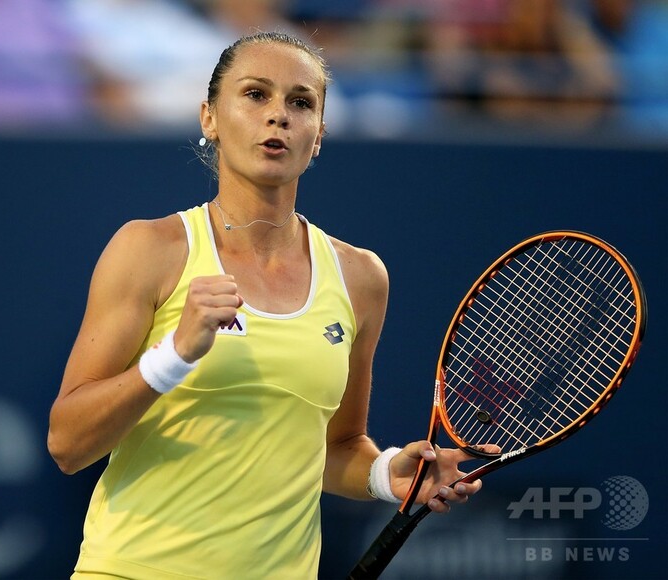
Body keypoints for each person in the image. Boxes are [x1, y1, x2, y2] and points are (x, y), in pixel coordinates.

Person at [48, 31, 489, 579]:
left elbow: (335, 447)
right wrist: (174, 355)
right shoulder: (149, 250)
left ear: (318, 135)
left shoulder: (361, 278)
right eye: (255, 94)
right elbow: (68, 444)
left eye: (300, 102)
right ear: (209, 117)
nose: (278, 115)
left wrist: (384, 474)